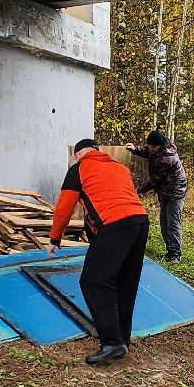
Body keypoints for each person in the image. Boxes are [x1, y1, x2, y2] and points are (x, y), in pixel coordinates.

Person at [49, 138, 149, 366]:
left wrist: (55, 237)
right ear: (98, 151)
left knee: (93, 281)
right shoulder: (119, 168)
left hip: (115, 225)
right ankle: (122, 339)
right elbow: (105, 203)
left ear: (78, 154)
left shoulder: (79, 169)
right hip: (139, 222)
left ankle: (112, 342)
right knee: (125, 282)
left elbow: (65, 207)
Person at [132, 129, 189, 264]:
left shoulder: (167, 158)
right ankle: (170, 250)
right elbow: (147, 152)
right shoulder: (157, 150)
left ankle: (175, 254)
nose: (150, 148)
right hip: (165, 192)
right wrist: (134, 149)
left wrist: (136, 190)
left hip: (175, 192)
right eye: (149, 145)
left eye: (153, 146)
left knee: (173, 224)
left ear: (159, 145)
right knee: (164, 223)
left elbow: (154, 181)